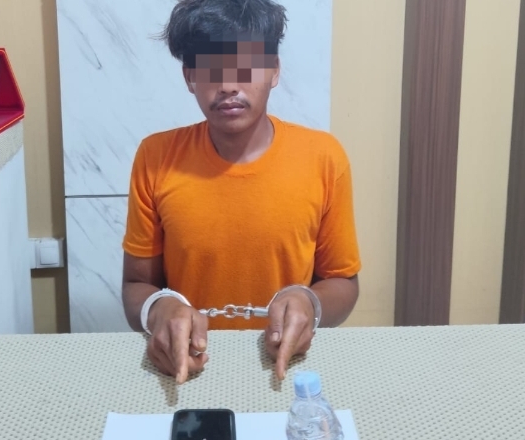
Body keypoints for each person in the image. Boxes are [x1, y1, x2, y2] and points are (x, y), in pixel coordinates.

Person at [121, 0, 361, 384]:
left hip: (287, 366)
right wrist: (159, 309)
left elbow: (343, 282)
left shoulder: (324, 158)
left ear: (274, 69)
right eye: (209, 70)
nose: (228, 86)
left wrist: (309, 303)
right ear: (189, 77)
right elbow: (136, 284)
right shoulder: (156, 157)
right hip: (187, 366)